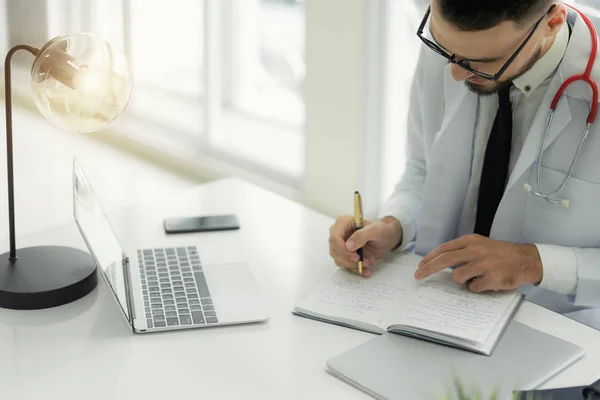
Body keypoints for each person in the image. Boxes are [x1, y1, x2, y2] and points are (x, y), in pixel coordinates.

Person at [329, 0, 600, 306]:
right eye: (443, 47)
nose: (455, 74)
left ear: (552, 22)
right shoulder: (452, 51)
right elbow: (422, 169)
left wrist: (534, 263)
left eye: (481, 61)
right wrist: (394, 225)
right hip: (439, 304)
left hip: (560, 323)